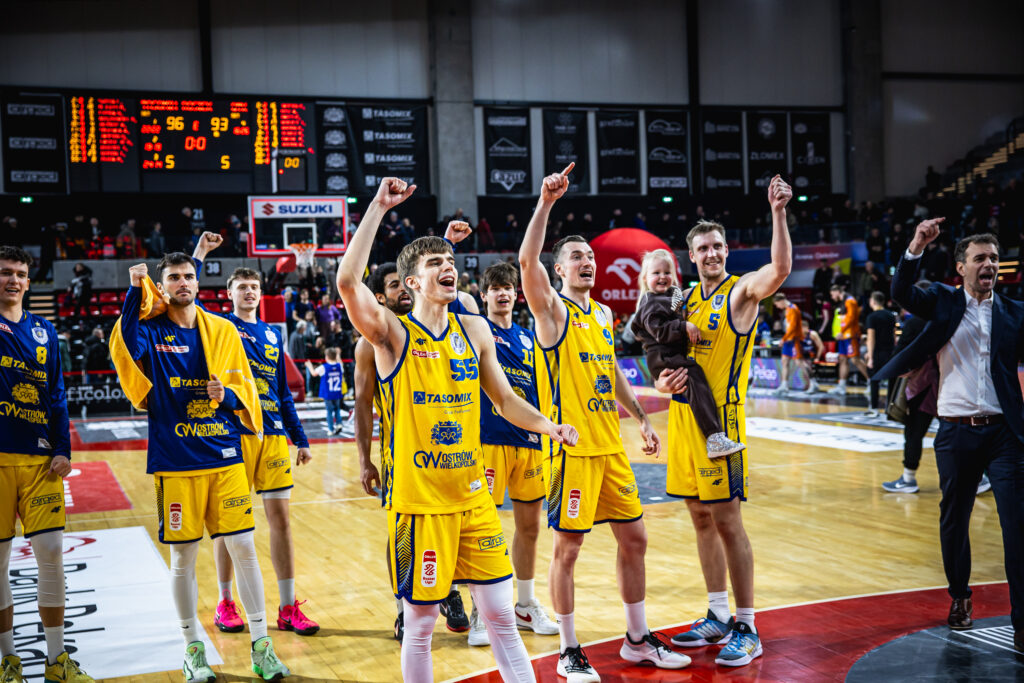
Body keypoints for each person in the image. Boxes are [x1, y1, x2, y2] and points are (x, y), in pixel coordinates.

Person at [338, 179, 575, 682]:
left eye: (450, 260)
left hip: (473, 500)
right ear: (412, 282)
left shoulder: (475, 329)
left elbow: (505, 401)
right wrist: (378, 207)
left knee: (502, 618)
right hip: (419, 504)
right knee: (422, 624)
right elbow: (348, 282)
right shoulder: (391, 334)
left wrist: (549, 426)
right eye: (435, 263)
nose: (449, 266)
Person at [519, 163, 690, 679]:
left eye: (590, 257)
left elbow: (610, 371)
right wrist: (546, 203)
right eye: (576, 257)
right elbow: (526, 260)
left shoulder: (601, 315)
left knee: (635, 539)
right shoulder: (552, 311)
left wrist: (641, 418)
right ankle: (569, 649)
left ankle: (636, 639)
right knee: (568, 549)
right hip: (570, 451)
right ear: (559, 270)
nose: (587, 263)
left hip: (610, 447)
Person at [112, 253, 290, 681]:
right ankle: (192, 648)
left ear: (198, 282)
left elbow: (246, 389)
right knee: (183, 558)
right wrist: (134, 292)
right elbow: (126, 348)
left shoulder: (223, 330)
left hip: (225, 455)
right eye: (173, 277)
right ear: (163, 286)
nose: (183, 282)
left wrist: (228, 397)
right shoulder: (150, 330)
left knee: (244, 548)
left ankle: (262, 646)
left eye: (189, 276)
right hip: (176, 461)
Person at [653, 175, 793, 667]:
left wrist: (777, 212)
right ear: (691, 256)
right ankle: (716, 613)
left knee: (728, 521)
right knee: (699, 517)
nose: (711, 253)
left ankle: (747, 625)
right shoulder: (683, 298)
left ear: (727, 251)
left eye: (717, 246)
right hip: (682, 419)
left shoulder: (741, 292)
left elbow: (780, 268)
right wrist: (661, 383)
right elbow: (657, 343)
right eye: (703, 248)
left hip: (722, 425)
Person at [875, 220, 1023, 652]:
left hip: (1004, 433)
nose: (989, 265)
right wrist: (916, 245)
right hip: (956, 432)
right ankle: (960, 594)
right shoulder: (942, 301)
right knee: (954, 518)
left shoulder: (1015, 312)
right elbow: (902, 291)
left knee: (1017, 524)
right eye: (980, 258)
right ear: (961, 267)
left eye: (994, 258)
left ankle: (1022, 619)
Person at [189, 233, 321, 640]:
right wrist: (200, 253)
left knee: (281, 520)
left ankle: (288, 606)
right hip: (234, 431)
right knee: (230, 524)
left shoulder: (271, 334)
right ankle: (225, 601)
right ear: (229, 293)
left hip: (273, 435)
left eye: (254, 287)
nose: (249, 291)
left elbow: (282, 392)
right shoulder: (220, 326)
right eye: (242, 286)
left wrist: (300, 438)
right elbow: (187, 299)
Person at [0, 246, 95, 683]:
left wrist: (63, 448)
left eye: (20, 273)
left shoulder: (44, 330)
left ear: (28, 281)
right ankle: (9, 661)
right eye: (5, 272)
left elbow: (57, 394)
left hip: (41, 462)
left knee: (53, 555)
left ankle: (57, 660)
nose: (13, 280)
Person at [466, 261, 560, 647]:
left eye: (508, 288)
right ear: (484, 295)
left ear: (515, 295)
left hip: (529, 442)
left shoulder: (528, 337)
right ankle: (479, 612)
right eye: (496, 288)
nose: (503, 293)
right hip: (488, 440)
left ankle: (524, 605)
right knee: (482, 530)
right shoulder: (475, 328)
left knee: (530, 528)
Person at [630, 249, 745, 458]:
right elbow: (660, 331)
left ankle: (712, 436)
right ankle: (714, 437)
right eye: (656, 273)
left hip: (667, 354)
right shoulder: (651, 301)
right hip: (663, 356)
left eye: (667, 272)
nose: (663, 276)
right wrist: (684, 326)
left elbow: (676, 301)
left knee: (694, 381)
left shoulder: (668, 296)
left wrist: (677, 294)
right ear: (645, 278)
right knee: (695, 378)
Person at [827, 284, 869, 395]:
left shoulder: (850, 301)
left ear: (837, 291)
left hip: (851, 335)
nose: (832, 297)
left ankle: (871, 382)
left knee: (855, 360)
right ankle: (841, 386)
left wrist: (841, 331)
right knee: (842, 359)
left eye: (832, 294)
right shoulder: (842, 302)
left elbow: (851, 319)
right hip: (843, 336)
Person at [865, 292, 896, 413]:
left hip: (877, 351)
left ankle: (874, 408)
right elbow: (894, 335)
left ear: (872, 301)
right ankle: (890, 408)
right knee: (891, 381)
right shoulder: (891, 315)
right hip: (890, 351)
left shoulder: (871, 317)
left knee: (874, 380)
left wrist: (870, 356)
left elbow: (871, 338)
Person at [306, 347, 346, 435]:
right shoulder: (339, 366)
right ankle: (339, 424)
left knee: (329, 411)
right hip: (337, 392)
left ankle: (331, 429)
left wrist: (309, 366)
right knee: (337, 409)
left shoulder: (324, 367)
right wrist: (338, 355)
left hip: (328, 393)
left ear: (326, 357)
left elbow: (314, 374)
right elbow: (341, 363)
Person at [773, 292, 804, 396]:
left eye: (777, 304)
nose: (777, 307)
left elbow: (793, 328)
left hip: (794, 339)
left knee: (799, 362)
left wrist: (783, 339)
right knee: (784, 361)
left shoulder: (793, 309)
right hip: (788, 339)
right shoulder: (787, 310)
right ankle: (784, 386)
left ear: (781, 301)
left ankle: (813, 382)